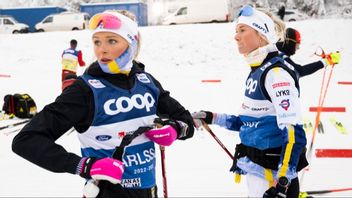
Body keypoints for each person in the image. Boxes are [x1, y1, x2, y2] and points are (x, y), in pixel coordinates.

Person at [12, 10, 194, 198]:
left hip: (149, 191)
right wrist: (85, 165)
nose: (102, 49)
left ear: (132, 43)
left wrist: (176, 129)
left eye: (111, 41)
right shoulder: (85, 91)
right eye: (97, 41)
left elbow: (185, 120)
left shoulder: (146, 82)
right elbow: (26, 140)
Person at [191, 5, 326, 198]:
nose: (236, 37)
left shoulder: (276, 74)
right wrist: (211, 117)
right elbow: (248, 122)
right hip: (258, 174)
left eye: (242, 30)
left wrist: (283, 183)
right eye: (236, 31)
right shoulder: (257, 70)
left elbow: (294, 132)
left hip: (273, 181)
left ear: (262, 34)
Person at [276, 27, 341, 78]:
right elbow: (300, 71)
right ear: (291, 43)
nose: (298, 48)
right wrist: (326, 61)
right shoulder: (280, 57)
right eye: (297, 44)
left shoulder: (277, 52)